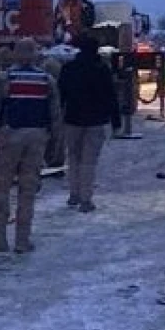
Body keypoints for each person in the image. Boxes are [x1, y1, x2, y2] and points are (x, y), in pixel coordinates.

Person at [0, 38, 60, 253]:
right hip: (37, 138)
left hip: (9, 136)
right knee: (28, 190)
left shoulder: (4, 79)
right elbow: (55, 116)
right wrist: (54, 145)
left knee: (1, 188)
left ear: (15, 54)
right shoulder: (47, 80)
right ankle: (23, 240)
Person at [56, 34, 119, 212]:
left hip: (72, 119)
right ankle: (86, 199)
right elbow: (111, 96)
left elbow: (61, 95)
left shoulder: (69, 68)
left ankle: (73, 194)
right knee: (89, 161)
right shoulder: (102, 69)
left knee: (73, 157)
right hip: (96, 120)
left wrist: (57, 118)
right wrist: (116, 121)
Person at [41, 53, 67, 171]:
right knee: (57, 132)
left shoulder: (44, 73)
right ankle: (55, 160)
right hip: (56, 105)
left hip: (43, 106)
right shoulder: (55, 69)